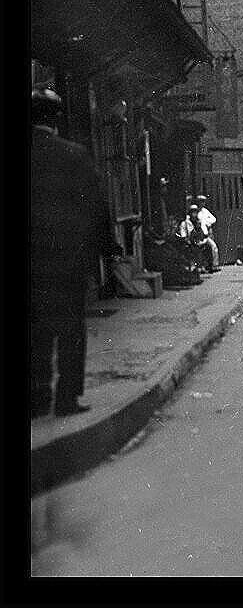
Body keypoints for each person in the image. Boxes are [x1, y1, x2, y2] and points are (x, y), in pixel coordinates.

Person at [31, 85, 119, 417]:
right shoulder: (74, 155)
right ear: (56, 119)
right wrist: (106, 248)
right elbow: (98, 207)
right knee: (70, 330)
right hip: (68, 261)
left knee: (35, 330)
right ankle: (67, 399)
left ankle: (37, 399)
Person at [179, 204, 220, 272]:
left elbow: (204, 233)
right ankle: (199, 267)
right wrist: (190, 241)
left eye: (196, 212)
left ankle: (214, 265)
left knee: (213, 245)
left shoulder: (200, 221)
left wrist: (203, 240)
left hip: (201, 239)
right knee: (195, 249)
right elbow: (184, 236)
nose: (194, 213)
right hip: (191, 241)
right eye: (193, 212)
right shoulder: (185, 223)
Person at [193, 193, 221, 268]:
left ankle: (214, 264)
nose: (202, 203)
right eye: (200, 201)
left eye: (203, 201)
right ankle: (203, 266)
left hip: (206, 233)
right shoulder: (195, 211)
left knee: (213, 247)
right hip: (199, 234)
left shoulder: (205, 211)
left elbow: (213, 219)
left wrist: (207, 223)